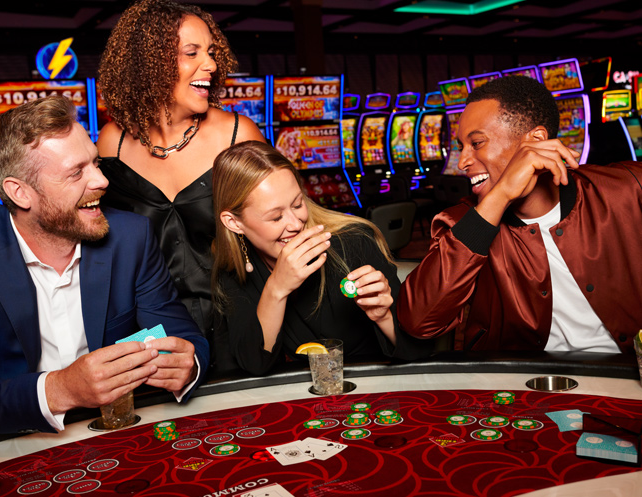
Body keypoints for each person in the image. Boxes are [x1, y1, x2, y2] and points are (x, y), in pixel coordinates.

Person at [0, 96, 209, 436]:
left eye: (95, 163)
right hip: (19, 443)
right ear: (20, 193)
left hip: (119, 431)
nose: (101, 181)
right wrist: (61, 389)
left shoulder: (130, 236)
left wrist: (187, 366)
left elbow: (185, 337)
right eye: (76, 172)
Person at [398, 75, 642, 354]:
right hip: (520, 384)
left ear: (536, 140)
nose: (462, 162)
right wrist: (500, 196)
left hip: (626, 375)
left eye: (476, 143)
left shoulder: (628, 188)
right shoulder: (459, 222)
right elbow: (418, 321)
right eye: (460, 147)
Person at [97, 0, 265, 371]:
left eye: (211, 52)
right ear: (149, 64)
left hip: (236, 319)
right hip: (152, 333)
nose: (212, 65)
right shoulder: (113, 142)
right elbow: (104, 246)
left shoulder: (237, 135)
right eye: (192, 53)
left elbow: (284, 225)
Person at [212, 141, 433, 375]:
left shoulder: (355, 242)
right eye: (276, 217)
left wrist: (384, 317)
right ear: (234, 223)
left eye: (298, 204)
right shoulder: (233, 273)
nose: (296, 224)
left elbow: (419, 351)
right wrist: (277, 289)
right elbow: (253, 365)